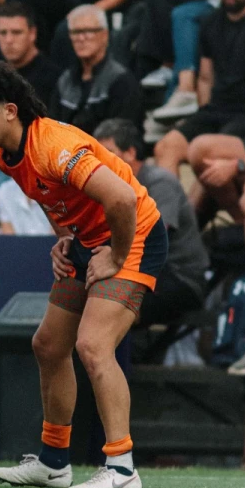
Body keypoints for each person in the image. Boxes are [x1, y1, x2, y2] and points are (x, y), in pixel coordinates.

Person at [0, 61, 166, 488]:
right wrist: (66, 237)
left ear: (10, 111)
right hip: (89, 238)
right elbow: (49, 195)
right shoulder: (4, 154)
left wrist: (116, 255)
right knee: (49, 345)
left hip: (134, 233)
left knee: (93, 345)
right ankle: (54, 461)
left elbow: (123, 199)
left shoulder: (53, 145)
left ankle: (123, 468)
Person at [93, 119, 207, 344]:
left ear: (130, 153)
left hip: (179, 276)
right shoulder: (110, 188)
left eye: (109, 152)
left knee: (112, 307)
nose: (101, 161)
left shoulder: (159, 183)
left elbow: (152, 238)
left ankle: (117, 362)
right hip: (147, 272)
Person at [157, 0, 245, 184]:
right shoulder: (211, 23)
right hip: (218, 108)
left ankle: (232, 216)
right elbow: (205, 78)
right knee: (166, 147)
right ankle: (171, 218)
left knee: (205, 151)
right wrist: (205, 109)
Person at [49, 4, 142, 135]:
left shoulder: (121, 80)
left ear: (105, 35)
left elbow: (122, 136)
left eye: (88, 31)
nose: (81, 38)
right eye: (75, 32)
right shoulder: (65, 81)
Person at [0, 1, 63, 106]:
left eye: (16, 32)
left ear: (32, 33)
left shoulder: (54, 79)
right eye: (3, 33)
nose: (8, 40)